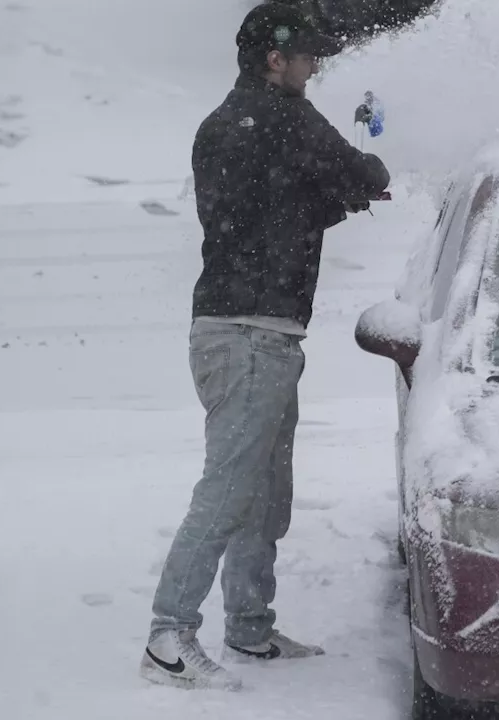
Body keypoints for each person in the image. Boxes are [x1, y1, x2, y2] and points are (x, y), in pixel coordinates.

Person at [139, 2, 391, 691]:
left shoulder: (235, 126)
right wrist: (374, 162)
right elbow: (353, 170)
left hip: (257, 331)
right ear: (275, 59)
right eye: (308, 56)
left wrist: (349, 188)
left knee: (263, 493)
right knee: (227, 491)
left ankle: (250, 629)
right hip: (247, 335)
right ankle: (169, 634)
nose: (315, 67)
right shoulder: (278, 116)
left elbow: (286, 209)